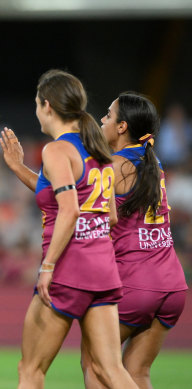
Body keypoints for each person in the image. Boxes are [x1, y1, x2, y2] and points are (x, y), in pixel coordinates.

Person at [0, 69, 138, 389]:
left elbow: (70, 209)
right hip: (103, 269)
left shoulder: (56, 150)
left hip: (67, 269)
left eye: (36, 104)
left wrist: (48, 266)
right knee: (110, 371)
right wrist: (19, 168)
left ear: (47, 106)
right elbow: (110, 216)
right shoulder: (99, 150)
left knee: (30, 370)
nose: (36, 111)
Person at [80, 92, 188, 389]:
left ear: (122, 127)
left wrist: (23, 172)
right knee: (137, 372)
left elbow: (67, 201)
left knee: (95, 364)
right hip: (172, 284)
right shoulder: (154, 164)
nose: (102, 120)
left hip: (136, 283)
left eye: (108, 115)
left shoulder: (114, 167)